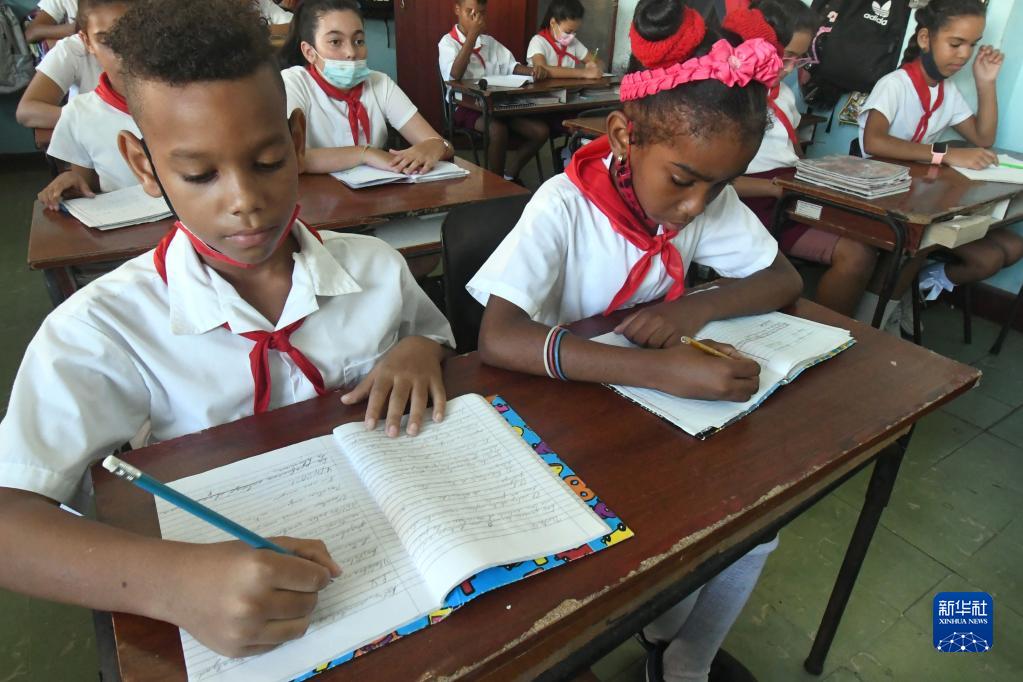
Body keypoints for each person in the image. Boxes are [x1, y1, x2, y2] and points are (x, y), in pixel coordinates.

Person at [0, 0, 453, 660]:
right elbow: (10, 518)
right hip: (238, 614)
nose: (244, 201)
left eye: (267, 162)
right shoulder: (102, 329)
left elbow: (431, 334)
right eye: (200, 174)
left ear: (295, 141)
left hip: (393, 559)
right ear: (144, 165)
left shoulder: (376, 268)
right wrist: (172, 583)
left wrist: (418, 347)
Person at [469, 3, 801, 674]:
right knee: (655, 544)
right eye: (682, 181)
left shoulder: (701, 197)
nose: (695, 207)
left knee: (754, 530)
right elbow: (498, 339)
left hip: (653, 419)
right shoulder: (563, 205)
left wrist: (693, 314)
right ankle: (657, 626)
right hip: (563, 422)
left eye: (719, 187)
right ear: (623, 135)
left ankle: (680, 660)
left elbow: (782, 277)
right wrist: (660, 370)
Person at [860, 0, 1022, 305]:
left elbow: (983, 137)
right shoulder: (895, 85)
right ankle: (877, 313)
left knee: (1008, 246)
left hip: (920, 199)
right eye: (956, 44)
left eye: (973, 45)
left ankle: (900, 301)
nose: (965, 54)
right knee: (919, 245)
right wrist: (944, 154)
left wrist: (986, 83)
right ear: (925, 38)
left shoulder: (947, 92)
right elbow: (874, 142)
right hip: (881, 194)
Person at [730, 0, 877, 317]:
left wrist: (815, 178)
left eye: (797, 60)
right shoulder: (729, 96)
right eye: (784, 57)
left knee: (865, 244)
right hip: (746, 204)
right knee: (849, 256)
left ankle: (830, 332)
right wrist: (774, 189)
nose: (788, 69)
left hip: (787, 197)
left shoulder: (783, 94)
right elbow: (716, 183)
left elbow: (792, 151)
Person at [279, 0, 453, 175]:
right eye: (335, 42)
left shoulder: (380, 83)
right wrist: (365, 154)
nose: (351, 52)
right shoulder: (293, 82)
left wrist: (436, 146)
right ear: (309, 52)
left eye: (359, 41)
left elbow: (441, 144)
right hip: (315, 191)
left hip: (376, 190)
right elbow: (288, 156)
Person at [438, 0, 551, 181]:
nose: (476, 18)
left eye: (481, 13)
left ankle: (509, 175)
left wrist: (532, 71)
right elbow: (454, 74)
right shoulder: (447, 42)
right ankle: (495, 183)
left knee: (540, 132)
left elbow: (511, 66)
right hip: (465, 106)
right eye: (470, 12)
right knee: (498, 130)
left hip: (495, 104)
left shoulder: (489, 42)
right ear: (457, 10)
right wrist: (472, 36)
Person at [526, 0, 602, 79]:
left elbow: (599, 62)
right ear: (553, 22)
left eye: (575, 32)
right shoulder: (538, 41)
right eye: (568, 32)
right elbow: (542, 69)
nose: (571, 36)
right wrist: (584, 73)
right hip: (542, 87)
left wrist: (595, 67)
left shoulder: (573, 43)